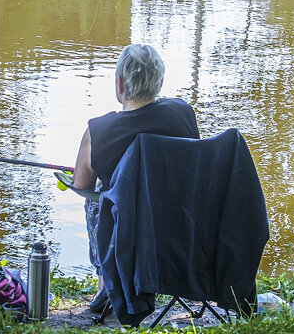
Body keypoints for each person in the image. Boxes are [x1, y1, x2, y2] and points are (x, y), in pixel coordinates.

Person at [70, 44, 199, 314]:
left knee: (96, 197)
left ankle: (107, 280)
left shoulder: (99, 130)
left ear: (119, 83)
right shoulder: (183, 114)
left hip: (123, 234)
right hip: (175, 232)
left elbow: (80, 186)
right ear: (160, 83)